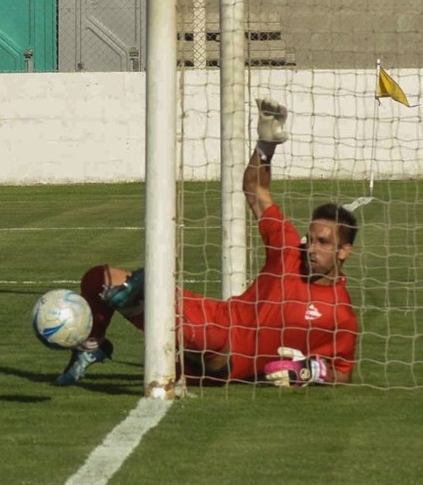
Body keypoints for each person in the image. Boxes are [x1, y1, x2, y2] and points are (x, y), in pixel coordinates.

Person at [57, 98, 359, 387]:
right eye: (312, 239)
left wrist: (310, 371)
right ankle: (93, 343)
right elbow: (254, 189)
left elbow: (343, 374)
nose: (312, 247)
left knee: (206, 336)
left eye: (323, 242)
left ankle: (141, 297)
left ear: (344, 250)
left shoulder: (340, 314)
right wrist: (266, 146)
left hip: (225, 356)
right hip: (215, 318)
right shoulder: (289, 251)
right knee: (100, 277)